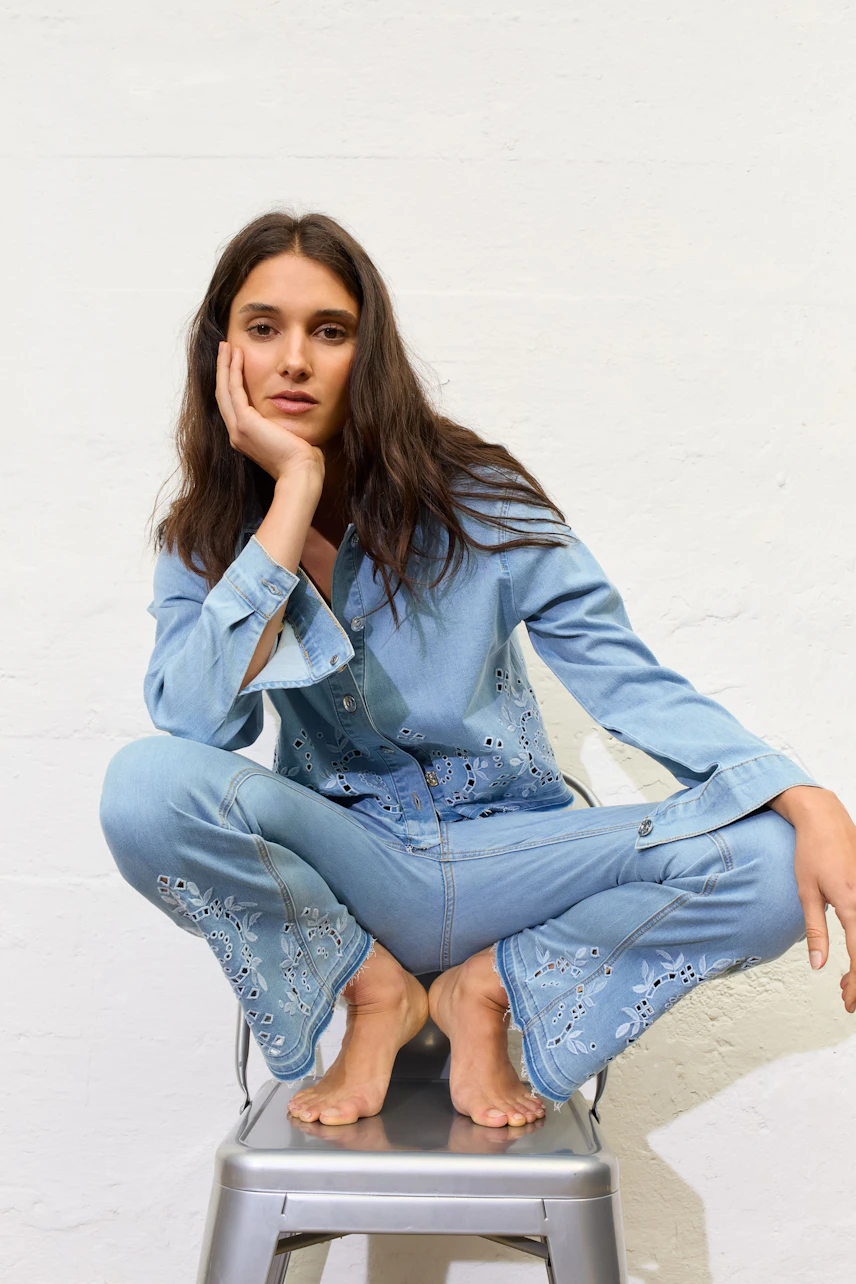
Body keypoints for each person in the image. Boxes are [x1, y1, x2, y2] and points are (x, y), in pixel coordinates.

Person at [99, 210, 856, 1129]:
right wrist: (289, 498)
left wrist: (802, 796)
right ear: (224, 354)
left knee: (777, 865)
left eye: (328, 331)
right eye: (264, 328)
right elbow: (196, 727)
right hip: (351, 863)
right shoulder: (208, 542)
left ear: (366, 353)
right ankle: (373, 992)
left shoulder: (479, 498)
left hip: (514, 856)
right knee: (142, 786)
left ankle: (488, 992)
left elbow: (626, 678)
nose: (294, 359)